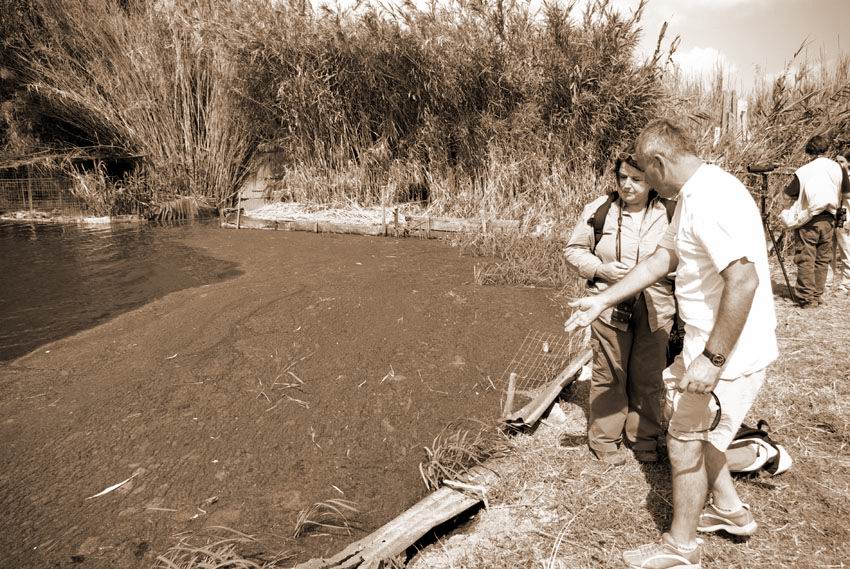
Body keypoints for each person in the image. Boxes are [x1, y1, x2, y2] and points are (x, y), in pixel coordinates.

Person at [565, 119, 778, 569]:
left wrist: (713, 360)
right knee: (703, 436)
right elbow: (665, 257)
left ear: (658, 164)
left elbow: (743, 279)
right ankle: (730, 512)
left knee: (684, 441)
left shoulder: (710, 201)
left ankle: (680, 548)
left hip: (728, 354)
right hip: (708, 345)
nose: (639, 180)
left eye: (643, 170)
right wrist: (600, 298)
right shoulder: (695, 195)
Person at [564, 152, 675, 466]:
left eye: (637, 179)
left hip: (657, 307)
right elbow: (573, 250)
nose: (628, 185)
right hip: (608, 305)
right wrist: (601, 270)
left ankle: (645, 439)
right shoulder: (599, 210)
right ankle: (604, 441)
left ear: (652, 181)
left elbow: (687, 256)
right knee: (609, 374)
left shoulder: (670, 211)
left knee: (649, 376)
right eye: (622, 177)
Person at [782, 135, 850, 306]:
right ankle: (817, 295)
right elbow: (847, 193)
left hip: (809, 219)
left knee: (806, 258)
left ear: (810, 150)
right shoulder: (838, 168)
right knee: (822, 259)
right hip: (829, 218)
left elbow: (788, 193)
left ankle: (806, 297)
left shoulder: (804, 170)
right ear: (826, 149)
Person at [834, 152, 850, 293]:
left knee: (846, 252)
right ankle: (826, 282)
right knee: (828, 252)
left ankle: (846, 284)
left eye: (842, 161)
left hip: (846, 219)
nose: (839, 164)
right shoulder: (833, 176)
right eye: (837, 161)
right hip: (833, 216)